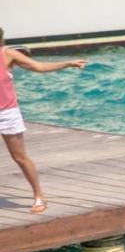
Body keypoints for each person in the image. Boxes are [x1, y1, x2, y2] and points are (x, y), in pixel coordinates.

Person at [0, 30, 87, 213]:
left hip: (7, 114)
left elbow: (38, 67)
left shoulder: (7, 54)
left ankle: (39, 196)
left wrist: (67, 63)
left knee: (19, 157)